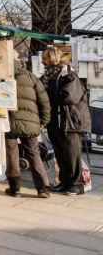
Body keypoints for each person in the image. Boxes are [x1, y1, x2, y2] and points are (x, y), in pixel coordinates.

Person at [41, 46, 91, 195]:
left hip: (70, 122)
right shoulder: (49, 76)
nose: (43, 61)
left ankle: (78, 184)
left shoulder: (69, 75)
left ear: (53, 59)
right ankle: (65, 182)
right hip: (55, 121)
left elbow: (68, 96)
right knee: (60, 153)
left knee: (72, 154)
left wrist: (46, 96)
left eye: (45, 58)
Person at [4, 58, 52, 198]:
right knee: (34, 153)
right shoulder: (31, 77)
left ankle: (15, 188)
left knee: (12, 153)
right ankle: (42, 188)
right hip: (31, 123)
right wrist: (44, 120)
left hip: (9, 122)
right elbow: (44, 100)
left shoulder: (1, 76)